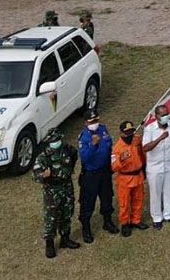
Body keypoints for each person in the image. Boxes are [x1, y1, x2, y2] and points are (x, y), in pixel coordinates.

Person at [32, 128, 81, 258]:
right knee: (52, 218)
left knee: (67, 213)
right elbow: (35, 176)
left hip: (66, 187)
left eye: (58, 140)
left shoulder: (68, 150)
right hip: (52, 191)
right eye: (54, 140)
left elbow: (73, 161)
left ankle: (65, 238)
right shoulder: (43, 157)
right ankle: (49, 244)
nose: (57, 142)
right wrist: (43, 175)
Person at [77, 108, 118, 242]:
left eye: (96, 120)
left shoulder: (103, 129)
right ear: (86, 123)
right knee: (88, 202)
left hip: (105, 171)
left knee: (107, 197)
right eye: (92, 121)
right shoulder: (84, 137)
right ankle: (86, 228)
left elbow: (109, 146)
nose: (95, 123)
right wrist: (93, 145)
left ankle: (107, 221)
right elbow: (85, 158)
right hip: (91, 175)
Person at [142, 104, 170, 228]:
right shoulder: (149, 129)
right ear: (157, 116)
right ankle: (157, 217)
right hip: (155, 166)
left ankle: (168, 214)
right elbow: (145, 147)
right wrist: (160, 138)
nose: (166, 117)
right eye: (163, 115)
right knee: (155, 192)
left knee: (169, 189)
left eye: (167, 114)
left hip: (169, 163)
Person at [110, 120, 147, 236]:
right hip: (125, 179)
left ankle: (136, 220)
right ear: (121, 133)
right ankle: (125, 223)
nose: (130, 136)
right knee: (124, 203)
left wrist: (144, 168)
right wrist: (121, 159)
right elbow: (113, 166)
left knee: (138, 199)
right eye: (127, 134)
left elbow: (141, 153)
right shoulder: (117, 148)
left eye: (131, 132)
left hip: (138, 176)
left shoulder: (136, 139)